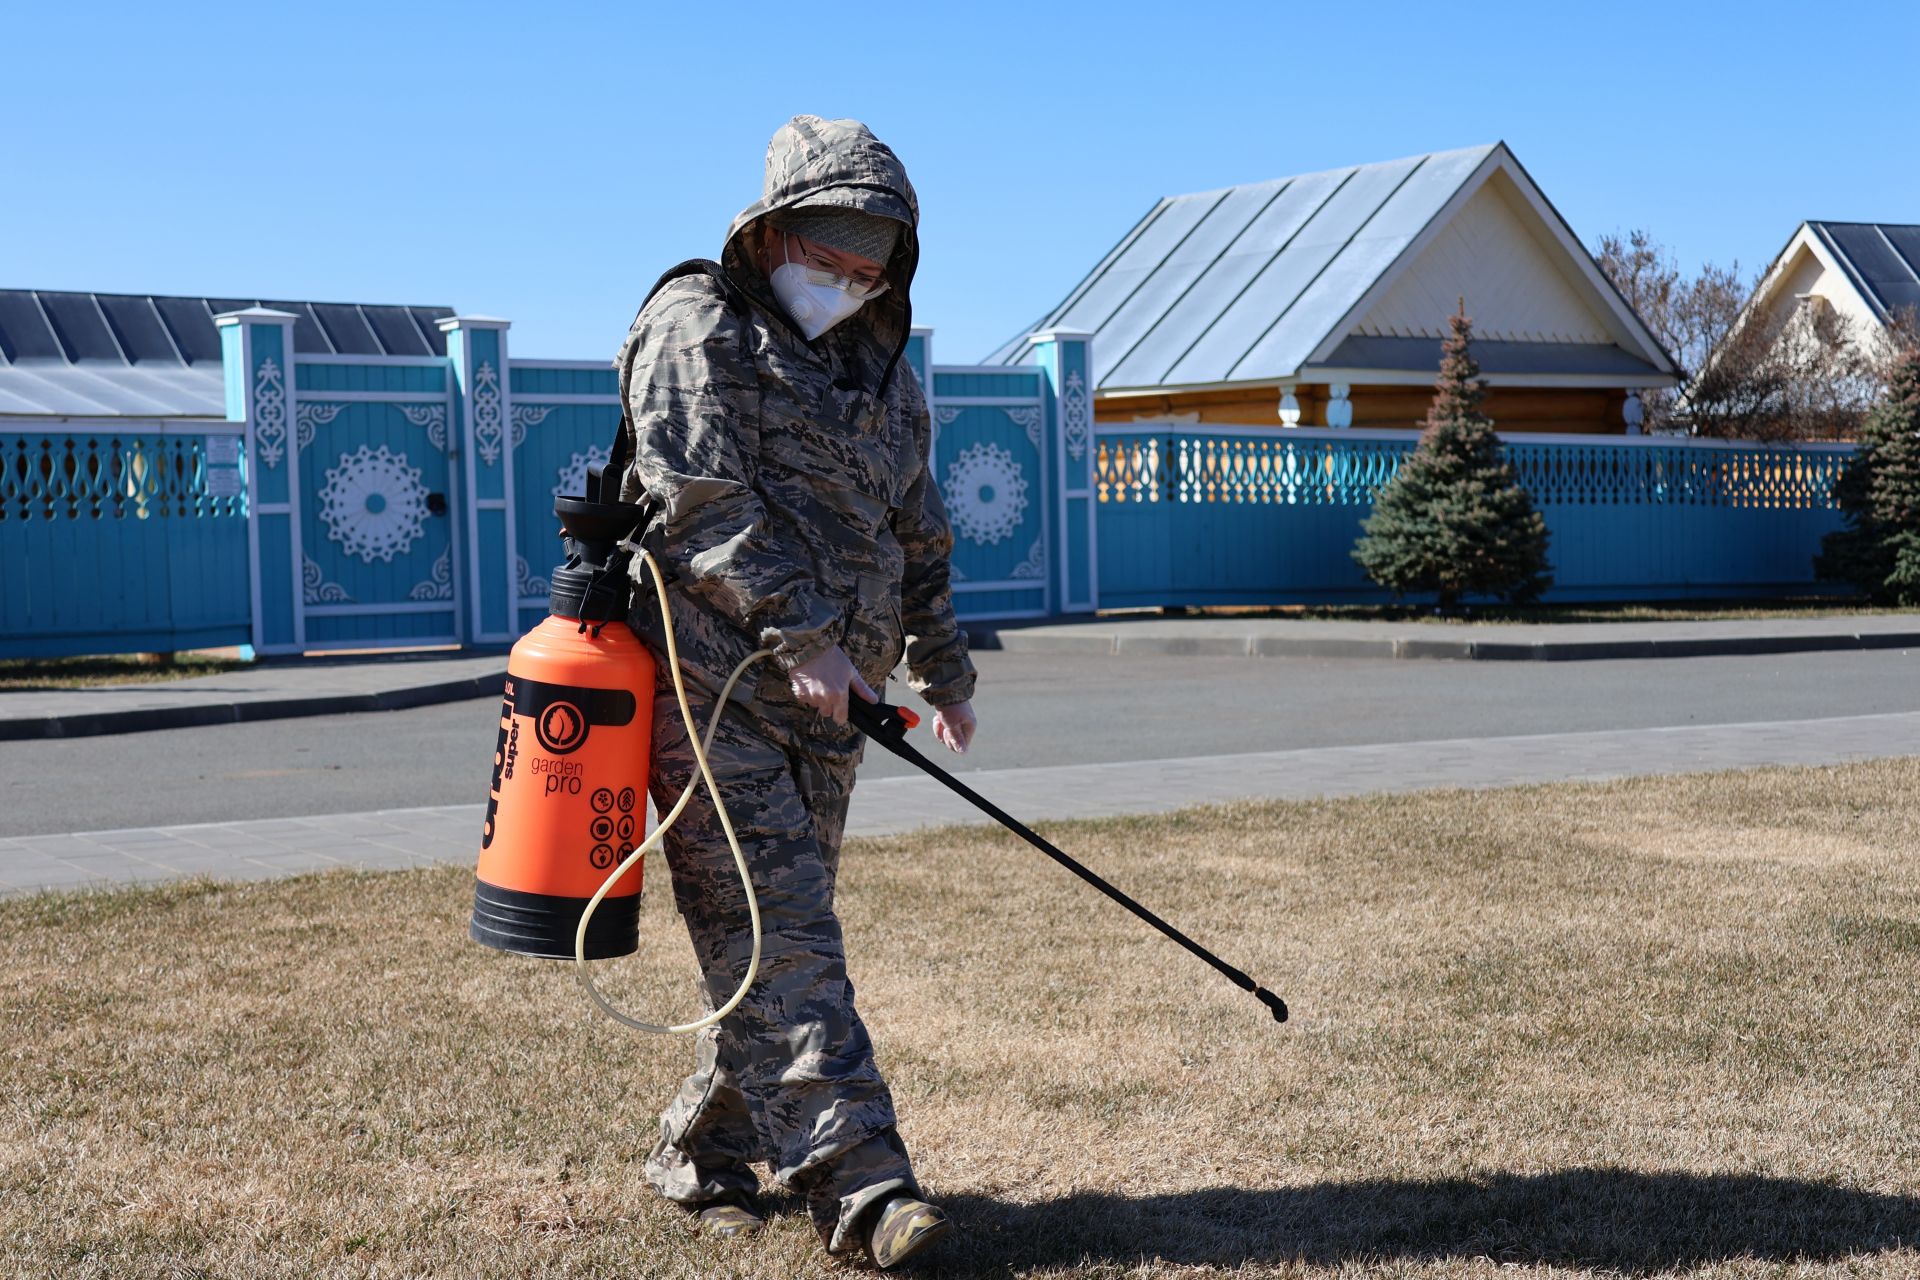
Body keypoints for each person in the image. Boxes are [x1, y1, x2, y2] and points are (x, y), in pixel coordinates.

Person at [612, 114, 977, 1270]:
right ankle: (867, 1187)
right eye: (830, 258)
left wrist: (943, 665)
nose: (849, 282)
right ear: (770, 233)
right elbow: (701, 504)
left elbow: (918, 528)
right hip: (707, 692)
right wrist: (804, 636)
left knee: (772, 946)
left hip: (830, 709)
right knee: (782, 941)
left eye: (872, 266)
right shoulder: (695, 326)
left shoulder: (879, 366)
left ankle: (703, 1149)